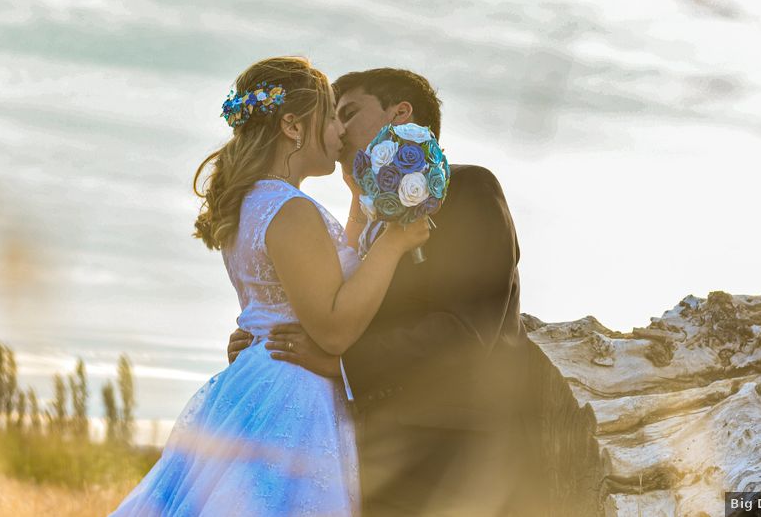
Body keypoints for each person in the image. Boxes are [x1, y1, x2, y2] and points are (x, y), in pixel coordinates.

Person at [112, 57, 429, 516]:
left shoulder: (254, 205)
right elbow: (334, 330)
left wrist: (359, 198)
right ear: (293, 127)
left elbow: (296, 293)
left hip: (257, 382)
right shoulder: (290, 209)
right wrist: (395, 244)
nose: (340, 132)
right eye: (331, 117)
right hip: (295, 396)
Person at [228, 68, 530, 516]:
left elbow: (466, 331)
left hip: (452, 462)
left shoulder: (468, 189)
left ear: (400, 114)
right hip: (365, 459)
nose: (339, 129)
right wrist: (267, 341)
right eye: (333, 117)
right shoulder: (359, 217)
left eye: (348, 112)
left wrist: (341, 364)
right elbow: (338, 308)